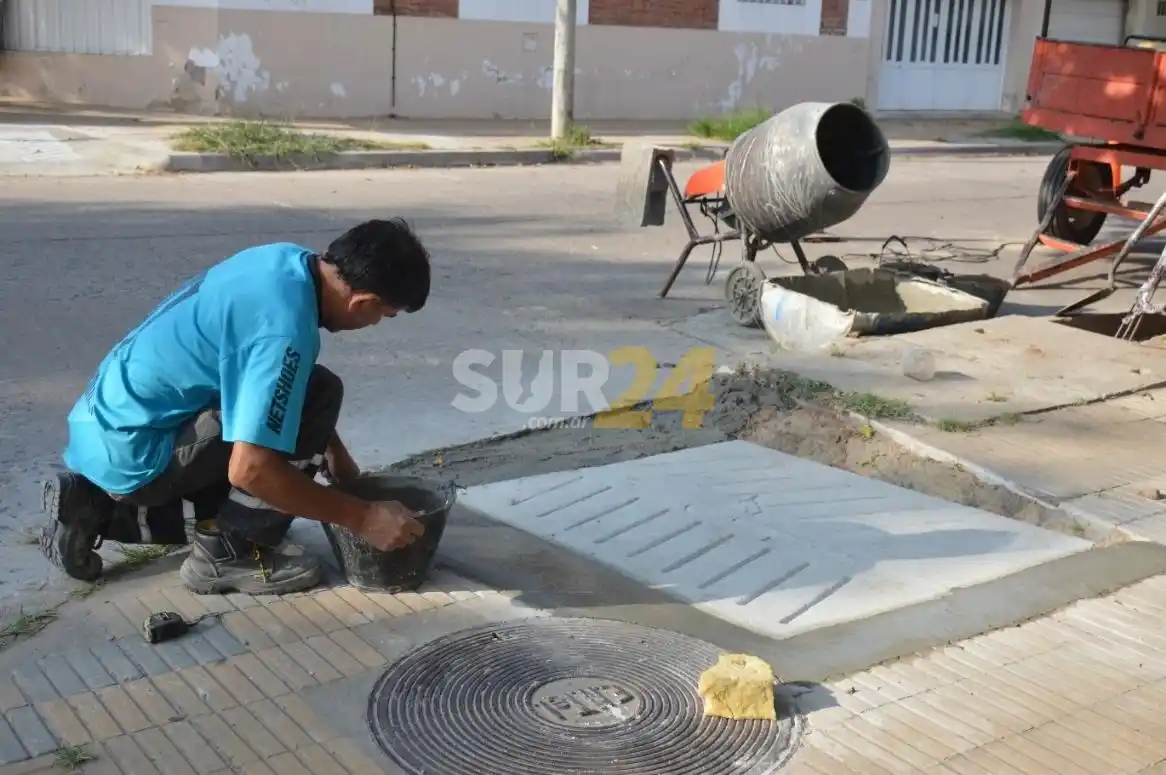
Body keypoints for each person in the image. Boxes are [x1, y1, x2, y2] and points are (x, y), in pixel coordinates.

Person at [40, 218, 431, 596]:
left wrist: (334, 451)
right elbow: (251, 470)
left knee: (311, 395)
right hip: (138, 454)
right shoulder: (284, 331)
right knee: (305, 415)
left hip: (106, 428)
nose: (376, 324)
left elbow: (270, 377)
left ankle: (92, 504)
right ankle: (229, 553)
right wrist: (362, 518)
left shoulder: (284, 261)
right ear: (364, 301)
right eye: (384, 315)